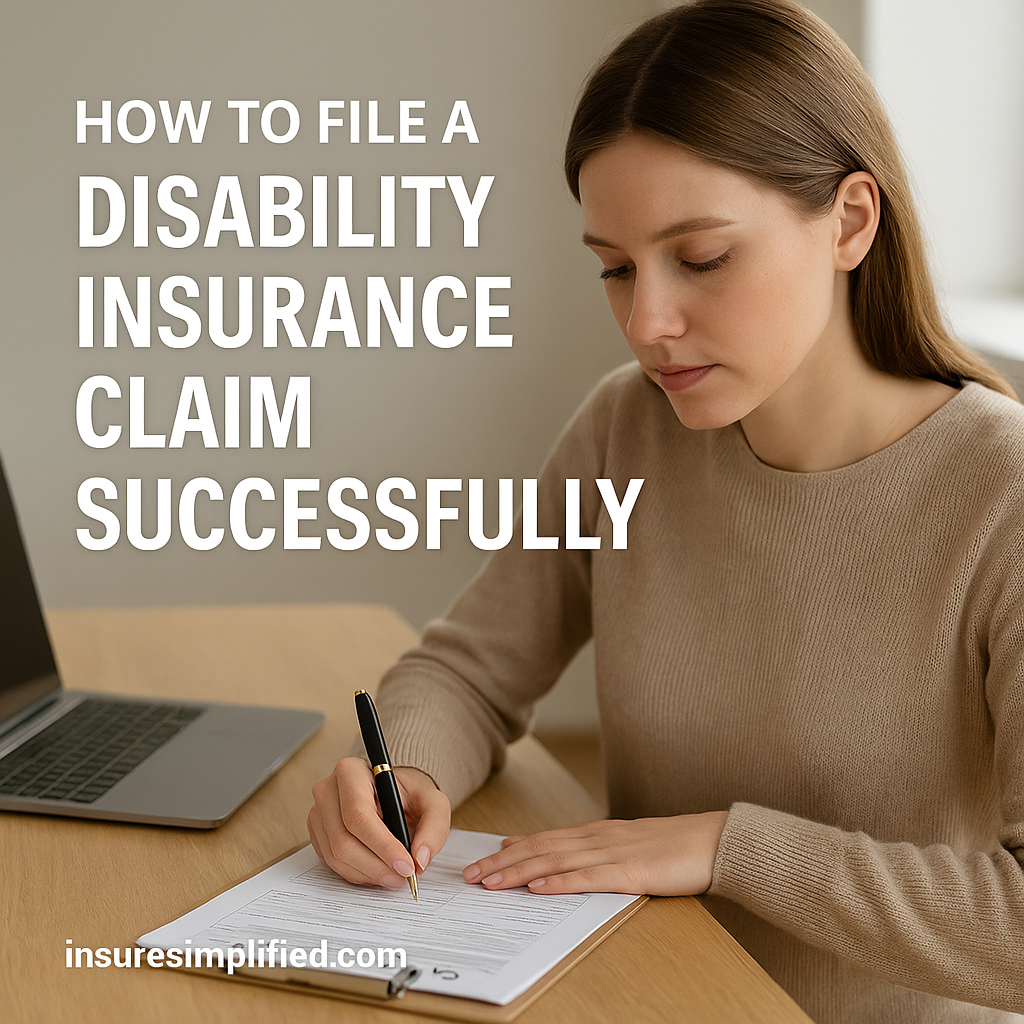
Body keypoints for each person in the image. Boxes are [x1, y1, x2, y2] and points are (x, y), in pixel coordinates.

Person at [306, 1, 1024, 1020]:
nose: (647, 322)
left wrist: (727, 846)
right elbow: (469, 667)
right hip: (645, 996)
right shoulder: (624, 431)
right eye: (614, 266)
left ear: (850, 222)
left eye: (700, 258)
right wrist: (402, 769)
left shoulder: (1001, 495)